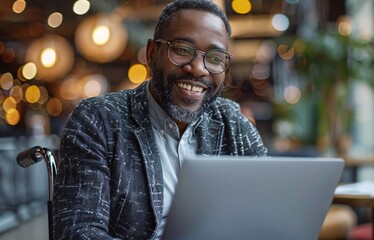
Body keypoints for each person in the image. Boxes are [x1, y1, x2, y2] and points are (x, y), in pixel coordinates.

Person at [52, 0, 267, 239]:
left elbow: (268, 213)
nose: (198, 69)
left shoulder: (234, 125)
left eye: (215, 58)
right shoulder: (98, 121)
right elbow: (78, 232)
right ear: (152, 53)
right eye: (183, 50)